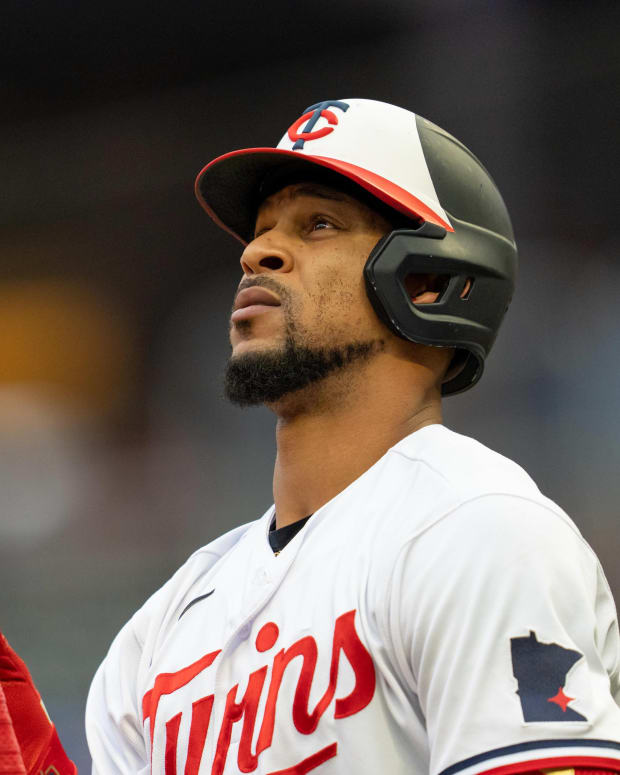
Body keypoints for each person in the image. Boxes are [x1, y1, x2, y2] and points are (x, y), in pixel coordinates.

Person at [3, 98, 619, 774]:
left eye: (317, 225)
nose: (256, 251)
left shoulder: (478, 529)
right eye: (262, 229)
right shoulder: (163, 627)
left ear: (430, 279)